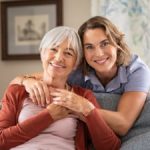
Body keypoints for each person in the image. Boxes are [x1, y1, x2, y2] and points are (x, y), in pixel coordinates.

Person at [10, 16, 150, 138]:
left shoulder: (136, 70)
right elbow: (16, 82)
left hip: (135, 132)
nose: (99, 53)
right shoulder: (77, 71)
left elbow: (123, 124)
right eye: (89, 47)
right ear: (82, 53)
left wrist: (83, 106)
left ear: (117, 44)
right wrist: (27, 81)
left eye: (105, 43)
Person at [0, 26, 120, 150]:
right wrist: (49, 116)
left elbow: (111, 147)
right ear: (42, 53)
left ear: (76, 64)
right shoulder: (18, 90)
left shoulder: (82, 97)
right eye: (53, 49)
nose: (58, 58)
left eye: (68, 53)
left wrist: (89, 110)